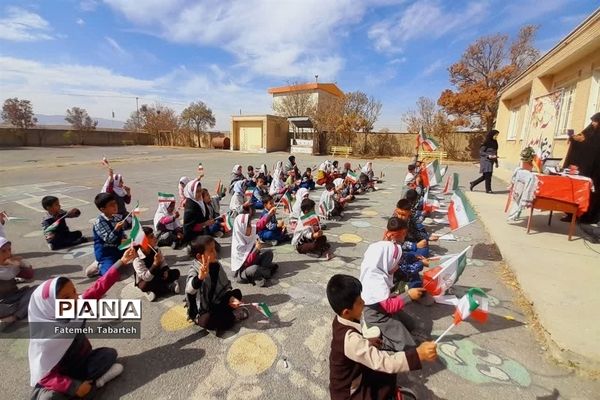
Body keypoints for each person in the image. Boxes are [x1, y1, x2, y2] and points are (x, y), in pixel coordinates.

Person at [28, 247, 136, 400]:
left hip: (81, 363)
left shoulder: (76, 305)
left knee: (109, 354)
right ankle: (92, 385)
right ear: (49, 306)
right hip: (58, 377)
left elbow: (98, 287)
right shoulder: (44, 336)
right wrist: (73, 387)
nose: (74, 299)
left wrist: (122, 262)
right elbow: (44, 376)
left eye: (74, 291)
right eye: (65, 298)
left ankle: (92, 384)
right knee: (48, 397)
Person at [327, 274, 437, 400]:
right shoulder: (350, 339)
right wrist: (418, 355)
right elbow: (383, 361)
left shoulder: (341, 320)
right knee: (384, 370)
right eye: (359, 302)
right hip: (349, 393)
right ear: (347, 311)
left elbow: (353, 347)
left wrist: (366, 342)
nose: (364, 302)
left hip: (354, 376)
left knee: (386, 376)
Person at [359, 241, 428, 352]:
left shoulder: (378, 269)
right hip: (376, 316)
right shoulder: (375, 278)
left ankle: (388, 331)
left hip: (382, 308)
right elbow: (389, 307)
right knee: (409, 345)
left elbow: (387, 299)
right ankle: (378, 342)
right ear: (385, 261)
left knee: (411, 324)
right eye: (396, 263)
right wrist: (409, 295)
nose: (397, 266)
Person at [185, 236, 249, 331]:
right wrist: (200, 278)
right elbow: (189, 289)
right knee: (206, 321)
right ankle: (232, 317)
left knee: (237, 293)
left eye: (214, 248)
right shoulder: (195, 270)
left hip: (217, 300)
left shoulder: (216, 264)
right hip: (203, 310)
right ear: (199, 256)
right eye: (211, 251)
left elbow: (225, 286)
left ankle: (226, 313)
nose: (215, 252)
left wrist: (230, 298)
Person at [562, 112, 600, 223]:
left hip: (595, 172)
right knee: (576, 190)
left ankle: (587, 217)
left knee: (592, 194)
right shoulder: (589, 130)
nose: (593, 123)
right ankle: (571, 214)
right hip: (584, 169)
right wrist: (574, 139)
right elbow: (581, 140)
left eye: (596, 121)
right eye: (592, 120)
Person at [133, 227, 180, 302]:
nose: (155, 238)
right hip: (146, 279)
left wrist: (165, 270)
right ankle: (168, 287)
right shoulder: (138, 259)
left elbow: (163, 263)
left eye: (154, 235)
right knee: (144, 286)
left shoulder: (156, 250)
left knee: (176, 273)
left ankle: (158, 290)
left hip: (158, 274)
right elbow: (146, 277)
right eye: (151, 237)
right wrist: (155, 264)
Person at [231, 214, 278, 287]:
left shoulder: (249, 231)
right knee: (254, 269)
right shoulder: (238, 245)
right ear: (241, 228)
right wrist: (256, 249)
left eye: (249, 224)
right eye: (248, 225)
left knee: (269, 253)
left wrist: (269, 214)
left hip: (255, 261)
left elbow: (259, 225)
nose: (251, 227)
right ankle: (264, 274)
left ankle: (261, 274)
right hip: (244, 270)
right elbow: (246, 263)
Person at [0, 237, 35, 329]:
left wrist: (22, 264)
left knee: (38, 291)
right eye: (3, 251)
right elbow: (6, 276)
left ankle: (12, 317)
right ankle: (19, 312)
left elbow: (29, 276)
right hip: (2, 305)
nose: (8, 254)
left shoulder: (11, 266)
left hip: (15, 297)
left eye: (9, 250)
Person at [88, 193, 126, 277]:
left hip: (117, 248)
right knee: (109, 275)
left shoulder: (116, 218)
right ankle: (98, 266)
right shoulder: (99, 222)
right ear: (102, 209)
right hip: (106, 253)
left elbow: (122, 235)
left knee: (138, 248)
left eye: (115, 203)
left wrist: (125, 239)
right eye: (111, 205)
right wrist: (116, 229)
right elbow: (108, 239)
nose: (115, 206)